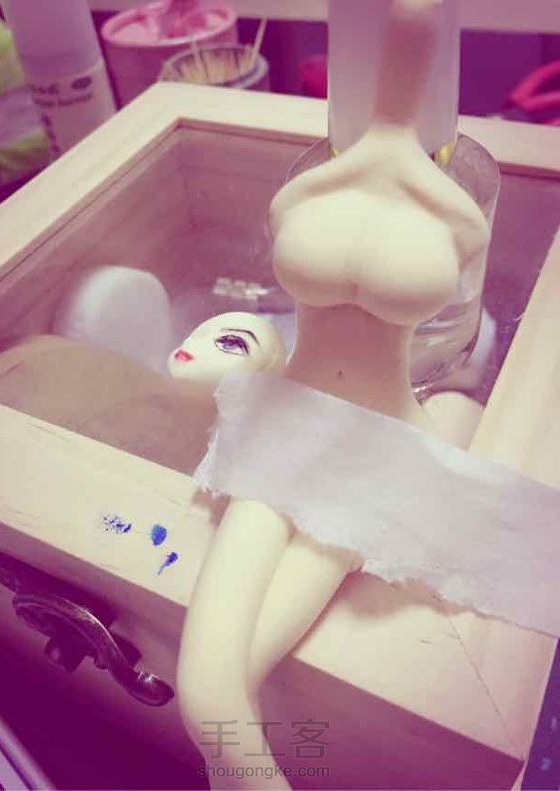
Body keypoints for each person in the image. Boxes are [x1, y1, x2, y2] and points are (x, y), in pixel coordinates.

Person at [176, 2, 490, 787]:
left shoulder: (459, 195)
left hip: (381, 444)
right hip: (290, 421)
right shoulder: (311, 178)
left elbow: (417, 18)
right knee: (208, 685)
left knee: (224, 683)